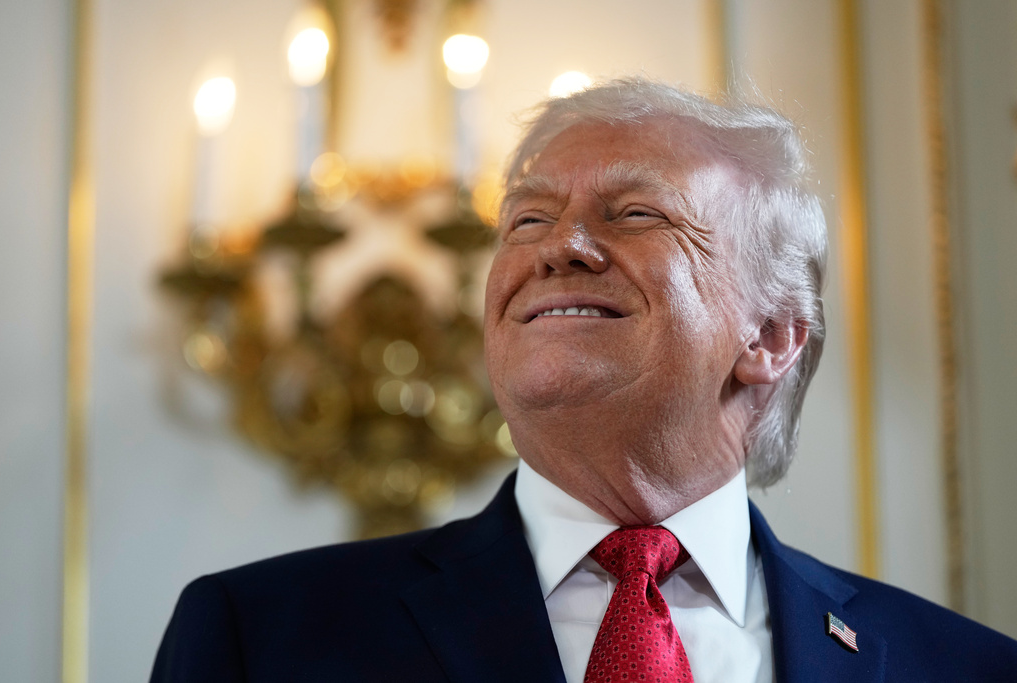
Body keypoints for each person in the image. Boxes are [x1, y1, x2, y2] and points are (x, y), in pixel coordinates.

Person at [151, 78, 1017, 682]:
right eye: (528, 218)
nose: (557, 246)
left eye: (634, 213)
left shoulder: (964, 667)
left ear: (770, 335)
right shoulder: (260, 637)